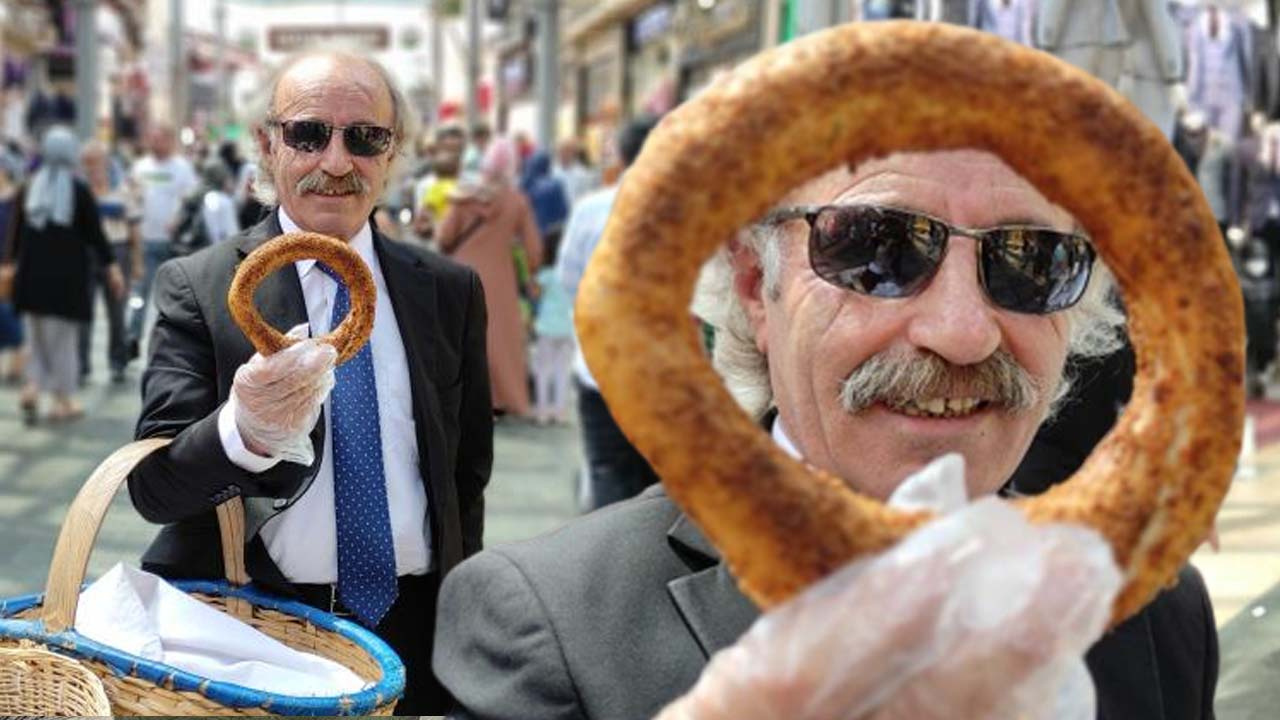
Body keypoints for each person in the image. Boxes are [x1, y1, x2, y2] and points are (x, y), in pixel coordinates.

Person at [433, 149, 1217, 719]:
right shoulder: (549, 623)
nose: (963, 332)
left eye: (1032, 260)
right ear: (753, 288)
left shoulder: (1151, 606)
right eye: (878, 249)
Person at [125, 50, 493, 714]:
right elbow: (153, 488)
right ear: (268, 144)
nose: (336, 161)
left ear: (393, 152)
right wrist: (245, 431)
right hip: (254, 627)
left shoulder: (448, 290)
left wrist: (463, 621)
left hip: (413, 624)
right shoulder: (201, 288)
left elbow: (466, 476)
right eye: (308, 133)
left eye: (365, 137)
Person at [556, 116, 662, 509]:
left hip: (602, 366)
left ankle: (609, 563)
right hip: (668, 370)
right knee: (661, 482)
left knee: (608, 474)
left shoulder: (592, 209)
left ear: (622, 154)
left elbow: (570, 277)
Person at [1, 126, 124, 424]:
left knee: (37, 337)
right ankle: (62, 401)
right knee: (63, 342)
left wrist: (9, 263)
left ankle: (32, 388)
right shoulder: (78, 190)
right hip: (65, 281)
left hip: (30, 279)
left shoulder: (30, 186)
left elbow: (15, 233)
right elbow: (95, 235)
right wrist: (112, 267)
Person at [437, 138, 542, 418]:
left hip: (460, 273)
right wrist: (529, 270)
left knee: (460, 335)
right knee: (500, 338)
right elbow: (533, 250)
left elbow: (445, 236)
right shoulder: (517, 201)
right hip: (500, 277)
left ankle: (462, 398)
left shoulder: (464, 196)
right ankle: (502, 399)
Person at [128, 122, 197, 348]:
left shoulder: (181, 168)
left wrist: (178, 221)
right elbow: (130, 197)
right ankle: (133, 336)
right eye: (152, 138)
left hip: (172, 244)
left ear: (169, 140)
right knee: (140, 293)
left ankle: (166, 339)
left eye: (160, 138)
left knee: (170, 295)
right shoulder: (140, 167)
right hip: (145, 241)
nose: (156, 143)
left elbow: (191, 200)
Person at [80, 140, 141, 384]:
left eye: (95, 162)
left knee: (117, 308)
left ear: (105, 162)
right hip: (86, 253)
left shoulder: (123, 188)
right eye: (87, 164)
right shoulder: (80, 190)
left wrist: (137, 262)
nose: (91, 168)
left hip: (118, 251)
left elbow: (134, 227)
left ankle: (117, 361)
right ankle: (81, 365)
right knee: (83, 309)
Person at [530, 233, 573, 426]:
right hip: (568, 327)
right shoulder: (573, 272)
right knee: (562, 371)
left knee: (543, 371)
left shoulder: (546, 274)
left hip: (547, 326)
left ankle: (542, 412)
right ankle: (560, 411)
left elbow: (535, 293)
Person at [0, 153, 25, 383]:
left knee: (8, 311)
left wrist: (15, 263)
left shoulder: (15, 197)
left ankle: (18, 358)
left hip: (7, 264)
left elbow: (19, 232)